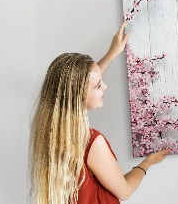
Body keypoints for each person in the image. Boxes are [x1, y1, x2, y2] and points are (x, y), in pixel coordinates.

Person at [29, 20, 170, 204]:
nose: (105, 86)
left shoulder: (49, 130)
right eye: (98, 86)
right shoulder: (92, 143)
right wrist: (147, 163)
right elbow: (125, 191)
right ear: (77, 96)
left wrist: (112, 53)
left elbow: (81, 85)